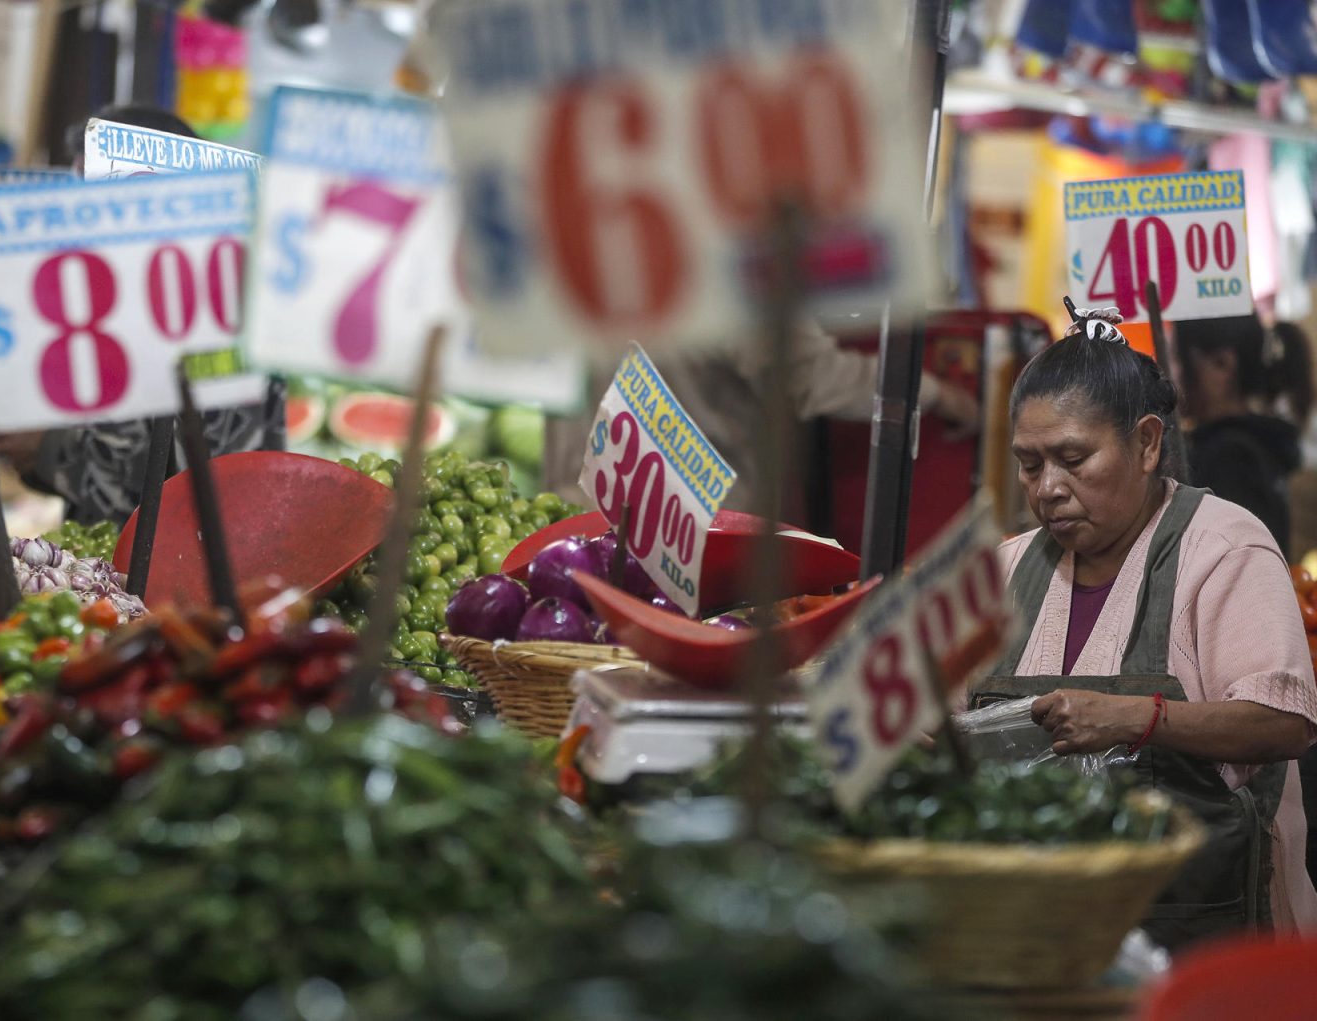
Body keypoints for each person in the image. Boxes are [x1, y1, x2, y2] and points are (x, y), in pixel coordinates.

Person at [975, 310, 1317, 949]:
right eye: (1028, 465)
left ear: (1148, 443)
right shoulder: (1007, 568)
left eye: (1073, 458)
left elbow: (1285, 723)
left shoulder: (1222, 548)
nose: (1048, 488)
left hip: (1203, 934)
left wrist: (1136, 718)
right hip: (1040, 935)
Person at [0, 104, 286, 525]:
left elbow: (164, 496)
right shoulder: (122, 301)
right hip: (110, 572)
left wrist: (45, 446)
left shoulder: (212, 320)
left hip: (186, 574)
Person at [541, 321, 982, 515]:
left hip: (576, 501)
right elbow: (811, 376)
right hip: (686, 528)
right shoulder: (726, 242)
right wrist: (936, 393)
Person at [1175, 315, 1311, 558]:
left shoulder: (1227, 457)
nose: (1173, 372)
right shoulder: (1263, 439)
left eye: (1179, 358)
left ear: (1222, 364)